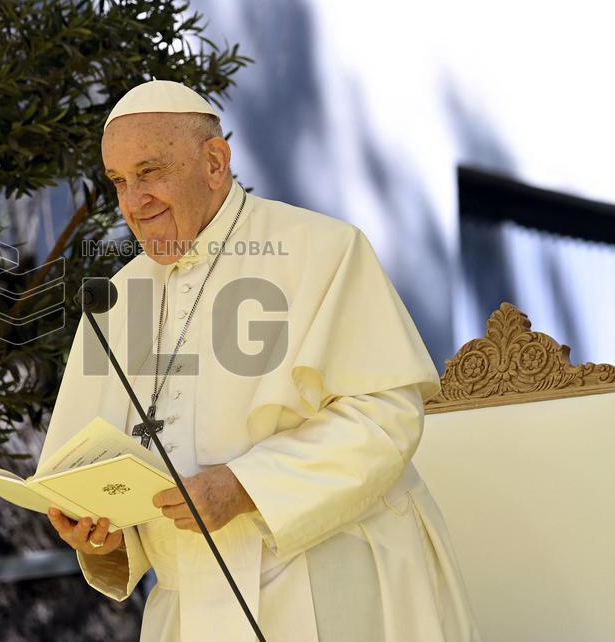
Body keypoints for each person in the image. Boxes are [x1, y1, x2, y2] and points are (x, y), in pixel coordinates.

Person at [39, 80, 480, 641]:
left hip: (325, 582)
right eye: (119, 182)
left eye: (149, 173)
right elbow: (95, 466)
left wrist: (243, 486)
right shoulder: (118, 297)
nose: (132, 201)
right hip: (188, 607)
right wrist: (101, 530)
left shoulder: (321, 249)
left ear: (215, 162)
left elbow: (386, 415)